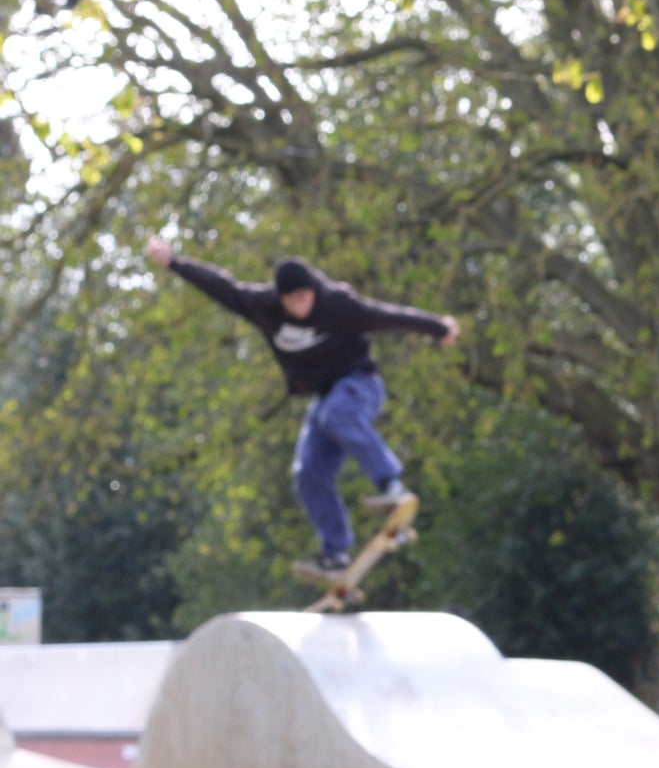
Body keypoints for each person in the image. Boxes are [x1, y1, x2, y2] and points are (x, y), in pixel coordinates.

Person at [144, 237, 461, 581]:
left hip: (360, 385)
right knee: (308, 473)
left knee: (336, 414)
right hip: (324, 397)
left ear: (314, 291)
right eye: (292, 301)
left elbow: (388, 316)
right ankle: (335, 554)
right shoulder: (263, 306)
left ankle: (391, 487)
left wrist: (439, 327)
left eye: (305, 297)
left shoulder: (338, 304)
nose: (301, 306)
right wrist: (174, 263)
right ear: (280, 299)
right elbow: (223, 287)